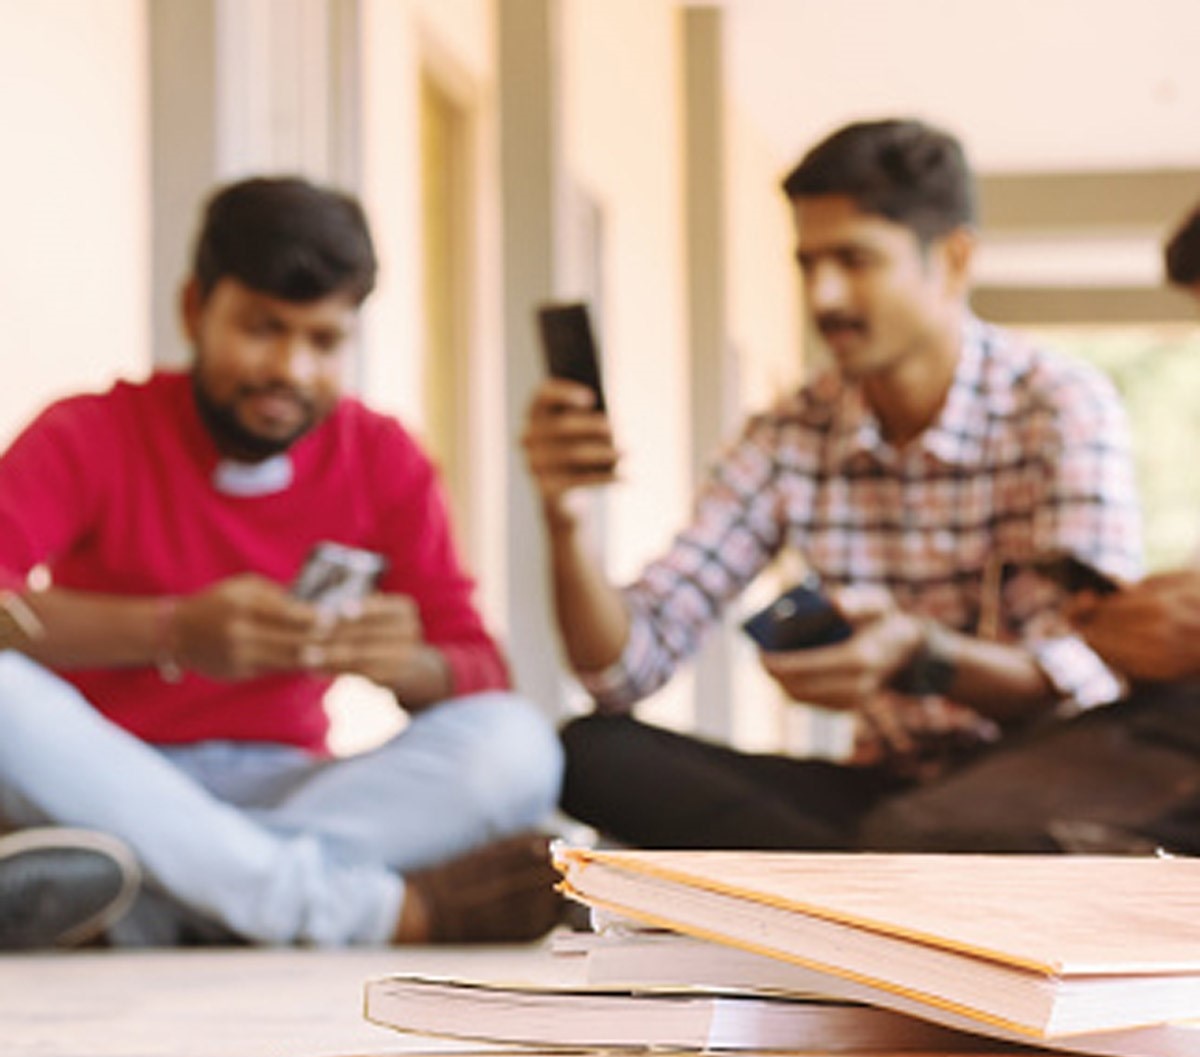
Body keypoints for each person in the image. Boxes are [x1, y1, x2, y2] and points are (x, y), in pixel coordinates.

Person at [521, 117, 1142, 852]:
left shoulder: (1060, 407)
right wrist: (565, 518)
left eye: (855, 260)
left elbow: (1086, 679)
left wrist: (921, 654)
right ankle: (879, 874)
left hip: (1038, 785)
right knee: (589, 752)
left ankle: (864, 875)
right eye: (808, 264)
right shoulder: (789, 434)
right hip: (882, 796)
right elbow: (622, 669)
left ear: (953, 259)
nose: (825, 297)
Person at [0, 175, 565, 949]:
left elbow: (479, 668)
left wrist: (403, 664)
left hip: (292, 791)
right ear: (194, 310)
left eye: (323, 341)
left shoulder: (383, 458)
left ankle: (164, 903)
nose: (292, 370)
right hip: (107, 776)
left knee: (519, 746)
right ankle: (352, 911)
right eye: (262, 329)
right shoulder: (90, 431)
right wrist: (171, 631)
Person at [854, 198, 1200, 855]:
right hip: (1169, 724)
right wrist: (1143, 635)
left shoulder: (1061, 403)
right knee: (908, 832)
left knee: (924, 838)